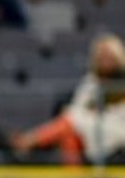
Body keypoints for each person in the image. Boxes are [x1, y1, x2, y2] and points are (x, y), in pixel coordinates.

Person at [12, 33, 125, 165]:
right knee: (69, 135)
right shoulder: (91, 80)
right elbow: (79, 105)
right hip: (91, 126)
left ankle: (29, 141)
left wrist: (92, 113)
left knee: (70, 120)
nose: (105, 59)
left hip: (117, 128)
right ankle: (74, 177)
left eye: (108, 55)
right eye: (101, 56)